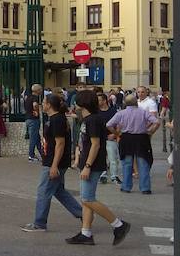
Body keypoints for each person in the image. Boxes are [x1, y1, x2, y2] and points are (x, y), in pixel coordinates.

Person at [64, 90, 132, 246]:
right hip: (89, 163)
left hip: (92, 164)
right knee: (86, 199)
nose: (74, 104)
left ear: (83, 104)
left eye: (77, 101)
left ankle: (118, 224)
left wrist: (87, 165)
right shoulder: (89, 119)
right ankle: (86, 233)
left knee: (88, 199)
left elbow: (95, 144)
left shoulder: (92, 121)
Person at [21, 94, 83, 232]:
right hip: (54, 160)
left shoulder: (57, 120)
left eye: (44, 102)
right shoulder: (55, 119)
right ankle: (82, 213)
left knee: (43, 191)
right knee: (58, 191)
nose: (42, 104)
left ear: (49, 104)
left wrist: (54, 165)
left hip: (54, 162)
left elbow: (60, 144)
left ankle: (39, 223)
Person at [107, 93, 159, 194]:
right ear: (136, 102)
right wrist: (151, 131)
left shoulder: (121, 113)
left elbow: (108, 124)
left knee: (127, 163)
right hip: (141, 138)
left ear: (125, 103)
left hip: (126, 138)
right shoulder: (143, 112)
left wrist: (117, 133)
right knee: (143, 163)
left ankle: (126, 186)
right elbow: (157, 122)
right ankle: (145, 188)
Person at [97, 92, 121, 185]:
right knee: (101, 158)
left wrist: (115, 134)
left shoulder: (113, 111)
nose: (97, 102)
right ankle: (102, 175)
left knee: (113, 158)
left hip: (110, 138)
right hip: (99, 138)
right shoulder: (96, 112)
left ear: (104, 101)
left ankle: (114, 176)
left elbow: (119, 124)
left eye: (99, 100)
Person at [25, 84, 44, 163]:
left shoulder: (28, 97)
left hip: (28, 119)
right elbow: (35, 105)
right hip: (34, 119)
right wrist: (36, 111)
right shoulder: (35, 98)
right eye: (41, 89)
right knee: (33, 138)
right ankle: (31, 156)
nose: (42, 91)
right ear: (38, 90)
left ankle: (42, 154)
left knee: (37, 138)